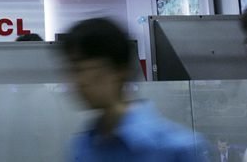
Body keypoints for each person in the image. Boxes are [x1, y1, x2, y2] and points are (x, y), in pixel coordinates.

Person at [60, 18, 207, 162]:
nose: (77, 81)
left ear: (120, 70)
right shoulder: (83, 147)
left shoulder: (176, 149)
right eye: (71, 70)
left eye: (82, 69)